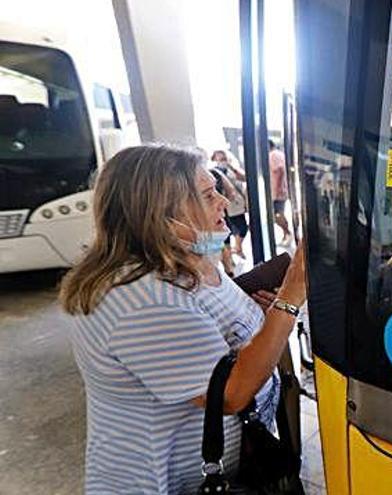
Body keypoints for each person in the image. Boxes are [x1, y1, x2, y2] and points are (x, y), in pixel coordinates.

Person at [59, 144, 307, 494]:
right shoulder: (142, 299)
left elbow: (209, 326)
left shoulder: (186, 261)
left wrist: (259, 318)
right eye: (208, 196)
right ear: (160, 214)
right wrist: (290, 297)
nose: (223, 202)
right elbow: (231, 394)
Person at [211, 150, 249, 258]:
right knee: (226, 232)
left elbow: (245, 178)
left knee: (242, 228)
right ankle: (229, 258)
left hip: (236, 205)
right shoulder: (214, 172)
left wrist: (231, 167)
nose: (221, 161)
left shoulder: (231, 170)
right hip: (224, 207)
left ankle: (238, 248)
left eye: (223, 158)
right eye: (218, 159)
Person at [269, 140, 293, 245]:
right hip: (279, 189)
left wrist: (277, 188)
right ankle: (286, 234)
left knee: (277, 214)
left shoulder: (273, 155)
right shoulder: (278, 154)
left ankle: (288, 233)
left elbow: (279, 170)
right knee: (278, 214)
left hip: (278, 191)